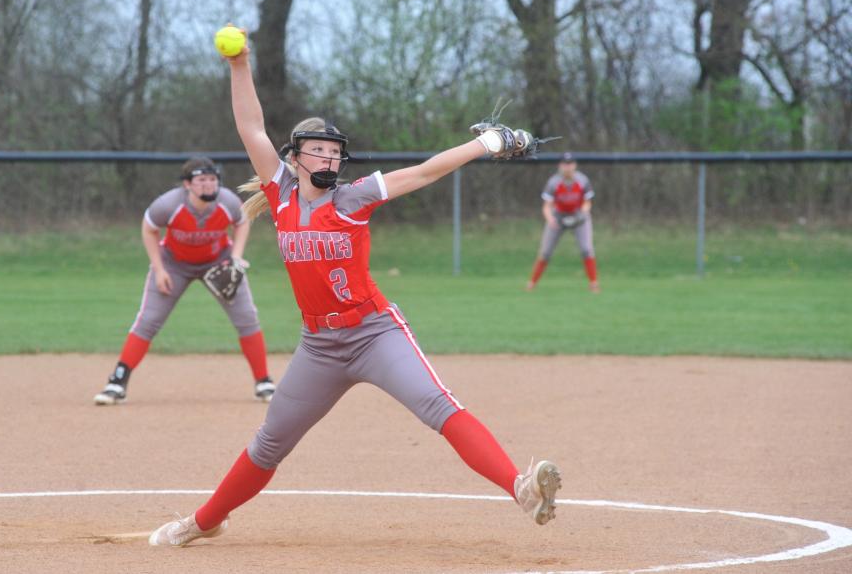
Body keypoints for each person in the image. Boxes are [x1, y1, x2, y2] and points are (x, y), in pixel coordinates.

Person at [147, 36, 561, 547]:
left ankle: (520, 488)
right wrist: (241, 62)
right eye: (317, 149)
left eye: (334, 150)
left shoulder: (354, 197)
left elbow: (426, 171)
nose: (328, 156)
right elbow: (250, 125)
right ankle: (203, 523)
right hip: (319, 347)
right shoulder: (278, 192)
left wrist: (485, 144)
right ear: (294, 158)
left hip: (374, 332)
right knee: (269, 444)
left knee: (440, 406)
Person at [92, 156, 276, 405]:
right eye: (201, 180)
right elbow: (149, 229)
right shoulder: (168, 204)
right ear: (187, 184)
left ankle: (263, 381)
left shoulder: (228, 201)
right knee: (148, 321)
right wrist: (159, 269)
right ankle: (117, 382)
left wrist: (235, 257)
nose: (209, 185)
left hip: (218, 261)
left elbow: (241, 222)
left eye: (213, 179)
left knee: (247, 318)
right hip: (174, 264)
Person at [526, 153, 600, 293]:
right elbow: (547, 206)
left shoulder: (582, 180)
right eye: (565, 164)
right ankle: (531, 284)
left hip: (579, 217)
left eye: (570, 164)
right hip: (558, 217)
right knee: (545, 252)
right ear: (560, 166)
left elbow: (587, 203)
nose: (568, 167)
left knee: (587, 249)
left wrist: (583, 214)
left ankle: (594, 284)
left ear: (575, 165)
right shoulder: (554, 182)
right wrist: (550, 219)